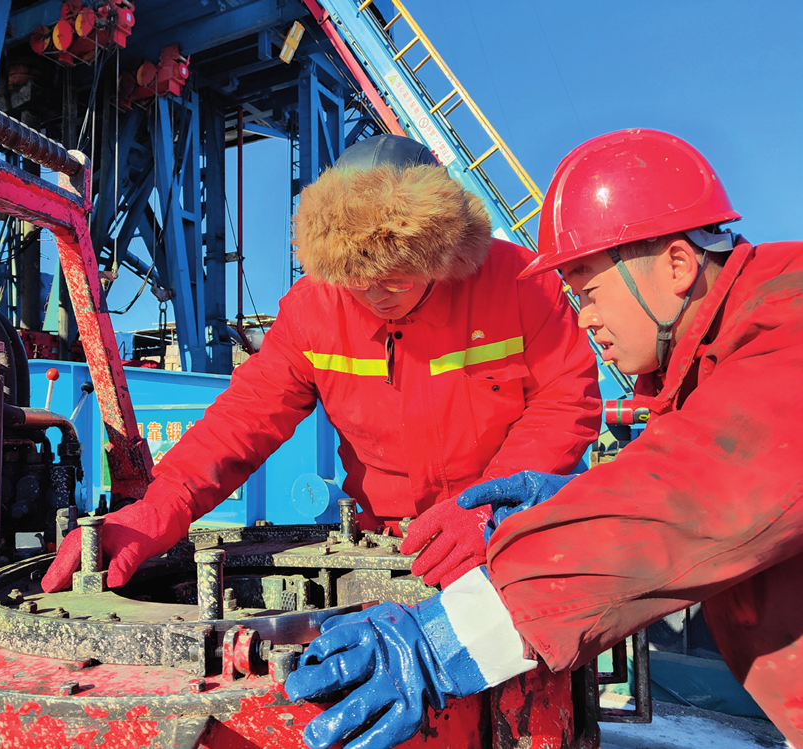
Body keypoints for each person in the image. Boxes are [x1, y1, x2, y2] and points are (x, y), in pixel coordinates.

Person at [286, 129, 803, 749]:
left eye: (588, 291)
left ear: (677, 264)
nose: (584, 317)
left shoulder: (790, 327)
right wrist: (568, 501)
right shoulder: (717, 365)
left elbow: (685, 501)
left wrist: (441, 641)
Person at [42, 133, 601, 593]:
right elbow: (244, 418)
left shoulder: (521, 286)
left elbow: (564, 402)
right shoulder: (315, 309)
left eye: (396, 278)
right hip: (390, 543)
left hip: (508, 534)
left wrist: (489, 506)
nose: (376, 295)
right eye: (357, 278)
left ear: (445, 252)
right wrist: (161, 508)